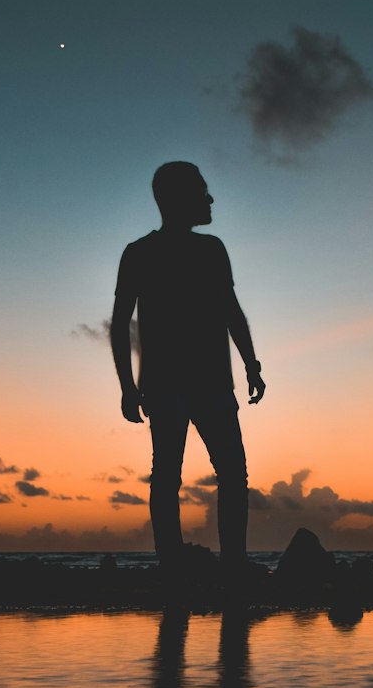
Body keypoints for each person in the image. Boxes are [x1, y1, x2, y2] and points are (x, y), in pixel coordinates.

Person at [110, 162, 265, 579]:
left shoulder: (210, 249)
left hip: (204, 382)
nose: (210, 199)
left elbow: (232, 313)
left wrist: (251, 363)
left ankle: (223, 564)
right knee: (179, 476)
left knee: (219, 474)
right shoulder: (142, 253)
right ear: (179, 199)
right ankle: (182, 569)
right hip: (172, 384)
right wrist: (126, 385)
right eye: (203, 192)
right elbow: (121, 321)